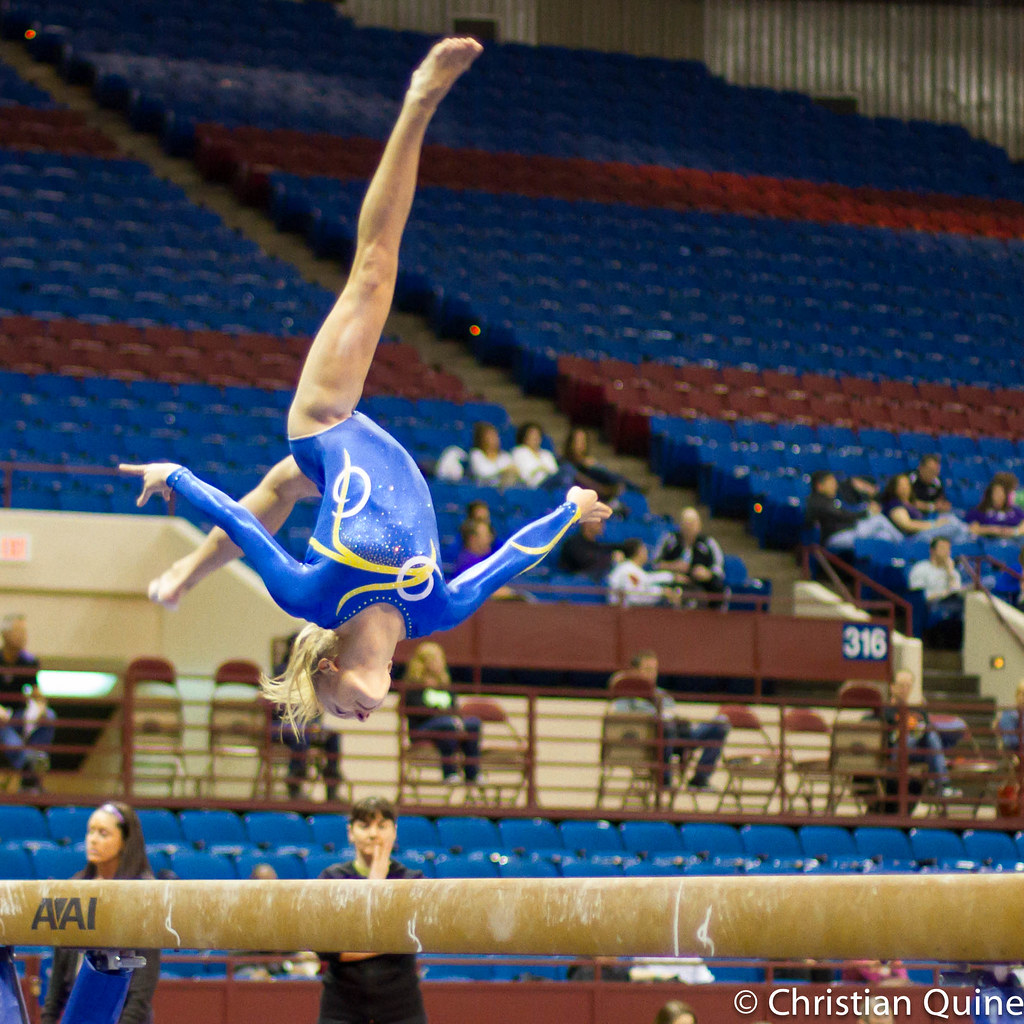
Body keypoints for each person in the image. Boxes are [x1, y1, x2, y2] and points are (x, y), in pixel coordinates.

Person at [121, 39, 612, 731]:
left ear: (328, 668)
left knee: (375, 269)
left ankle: (419, 100)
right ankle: (179, 580)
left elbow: (237, 524)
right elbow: (510, 558)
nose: (356, 718)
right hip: (340, 468)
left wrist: (173, 473)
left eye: (340, 709)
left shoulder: (311, 598)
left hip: (325, 421)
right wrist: (569, 508)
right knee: (283, 488)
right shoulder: (435, 611)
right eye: (353, 719)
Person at [41, 803, 160, 1024]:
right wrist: (48, 1019)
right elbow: (58, 974)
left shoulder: (144, 892)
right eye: (90, 831)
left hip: (125, 1014)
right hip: (78, 1011)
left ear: (125, 841)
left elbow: (143, 975)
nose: (93, 839)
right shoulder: (73, 888)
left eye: (103, 833)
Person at [316, 797, 426, 1024]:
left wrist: (353, 941)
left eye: (382, 826)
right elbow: (326, 949)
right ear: (350, 832)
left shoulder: (411, 880)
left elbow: (410, 938)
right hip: (342, 1003)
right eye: (364, 826)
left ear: (394, 831)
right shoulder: (332, 878)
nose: (373, 834)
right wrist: (375, 879)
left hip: (401, 1004)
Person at [609, 651, 728, 791]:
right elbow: (622, 720)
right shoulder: (625, 696)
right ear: (635, 671)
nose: (652, 674)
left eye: (654, 670)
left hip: (677, 737)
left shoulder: (662, 695)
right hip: (650, 738)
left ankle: (700, 779)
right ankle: (664, 778)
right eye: (647, 670)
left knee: (720, 725)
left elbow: (672, 713)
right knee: (665, 726)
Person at [271, 631, 343, 801]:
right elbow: (279, 708)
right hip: (282, 726)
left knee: (332, 737)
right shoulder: (280, 673)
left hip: (307, 725)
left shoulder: (314, 675)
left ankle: (332, 784)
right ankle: (295, 782)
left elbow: (316, 705)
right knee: (301, 732)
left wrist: (315, 721)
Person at [402, 641, 480, 786]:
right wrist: (444, 716)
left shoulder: (445, 686)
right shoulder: (414, 685)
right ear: (424, 662)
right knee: (447, 725)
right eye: (436, 659)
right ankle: (449, 772)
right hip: (422, 729)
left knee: (473, 723)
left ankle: (472, 773)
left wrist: (454, 720)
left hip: (449, 725)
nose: (440, 663)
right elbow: (418, 712)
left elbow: (455, 709)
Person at [0, 612, 55, 791]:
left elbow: (36, 692)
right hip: (1, 720)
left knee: (49, 716)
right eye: (19, 632)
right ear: (5, 634)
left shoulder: (28, 662)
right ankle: (28, 765)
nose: (24, 637)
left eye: (25, 632)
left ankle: (35, 759)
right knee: (4, 730)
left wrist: (40, 706)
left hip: (18, 716)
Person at [881, 669, 957, 799]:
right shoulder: (887, 710)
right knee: (908, 737)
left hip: (918, 751)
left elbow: (927, 726)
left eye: (908, 686)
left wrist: (919, 729)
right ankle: (941, 785)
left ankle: (943, 785)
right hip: (897, 751)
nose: (905, 689)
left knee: (931, 736)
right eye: (901, 685)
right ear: (892, 687)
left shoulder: (918, 710)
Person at [804, 470, 902, 552]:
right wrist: (867, 512)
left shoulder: (829, 501)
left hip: (848, 532)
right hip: (836, 537)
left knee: (885, 536)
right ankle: (905, 544)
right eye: (831, 483)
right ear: (819, 486)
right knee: (878, 519)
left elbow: (845, 513)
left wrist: (865, 510)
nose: (835, 486)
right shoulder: (817, 502)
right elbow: (843, 516)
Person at [652, 508, 726, 602]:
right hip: (673, 581)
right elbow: (654, 564)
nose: (689, 527)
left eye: (692, 523)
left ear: (699, 525)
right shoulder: (669, 539)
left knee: (717, 586)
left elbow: (719, 569)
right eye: (686, 523)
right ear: (680, 524)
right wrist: (672, 567)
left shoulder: (709, 543)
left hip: (699, 583)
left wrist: (708, 574)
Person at [908, 537, 968, 648]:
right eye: (943, 548)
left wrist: (950, 572)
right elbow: (918, 596)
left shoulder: (953, 572)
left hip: (953, 605)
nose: (946, 552)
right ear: (932, 550)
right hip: (930, 605)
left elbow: (957, 592)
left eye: (948, 549)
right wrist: (943, 595)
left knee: (967, 609)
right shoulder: (921, 568)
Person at [880, 474, 972, 543]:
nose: (905, 488)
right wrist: (933, 524)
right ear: (894, 487)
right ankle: (969, 531)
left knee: (951, 520)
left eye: (907, 484)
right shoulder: (895, 504)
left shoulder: (911, 504)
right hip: (912, 538)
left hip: (922, 532)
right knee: (953, 524)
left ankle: (962, 552)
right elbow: (907, 525)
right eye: (901, 485)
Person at [562, 426, 628, 504]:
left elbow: (609, 476)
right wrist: (605, 490)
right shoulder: (565, 464)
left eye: (582, 441)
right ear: (570, 442)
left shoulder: (589, 462)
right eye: (577, 441)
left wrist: (593, 465)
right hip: (582, 494)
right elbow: (579, 478)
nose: (579, 445)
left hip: (601, 492)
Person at [606, 539, 681, 607]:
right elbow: (634, 596)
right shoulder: (627, 570)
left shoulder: (634, 569)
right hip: (621, 614)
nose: (647, 552)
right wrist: (662, 592)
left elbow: (648, 579)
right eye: (644, 549)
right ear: (639, 552)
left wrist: (671, 577)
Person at [558, 517, 624, 579]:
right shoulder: (572, 543)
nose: (602, 524)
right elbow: (587, 562)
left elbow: (611, 547)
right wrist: (611, 558)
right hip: (574, 585)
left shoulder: (596, 544)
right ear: (586, 522)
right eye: (599, 521)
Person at [511, 422, 567, 489]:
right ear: (524, 437)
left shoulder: (547, 454)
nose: (535, 438)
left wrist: (541, 469)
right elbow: (525, 474)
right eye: (532, 435)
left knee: (566, 471)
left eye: (537, 435)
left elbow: (554, 471)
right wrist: (541, 469)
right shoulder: (519, 452)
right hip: (533, 485)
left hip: (550, 482)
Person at [967, 474, 1024, 539]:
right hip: (990, 544)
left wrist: (1014, 531)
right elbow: (973, 529)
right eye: (996, 492)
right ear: (990, 493)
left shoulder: (1015, 511)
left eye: (1002, 493)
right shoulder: (980, 511)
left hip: (1013, 542)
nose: (998, 496)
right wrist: (993, 530)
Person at [467, 421, 519, 488]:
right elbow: (483, 473)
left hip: (502, 489)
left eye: (495, 436)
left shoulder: (505, 456)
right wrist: (504, 469)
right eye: (489, 436)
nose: (493, 439)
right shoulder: (475, 454)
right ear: (481, 438)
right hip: (481, 490)